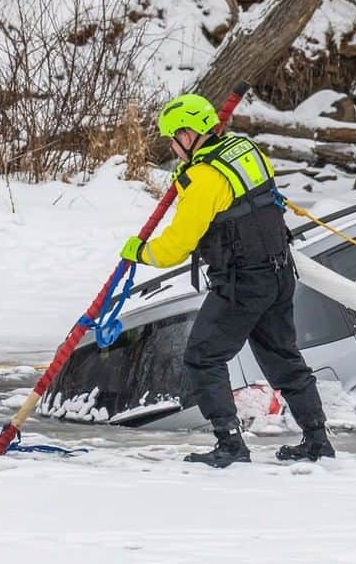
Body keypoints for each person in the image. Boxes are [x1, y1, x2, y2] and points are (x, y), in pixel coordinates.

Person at [119, 93, 334, 468]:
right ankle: (317, 440)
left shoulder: (204, 179)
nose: (172, 146)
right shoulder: (246, 150)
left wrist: (138, 251)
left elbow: (175, 247)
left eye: (173, 139)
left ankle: (230, 444)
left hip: (242, 283)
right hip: (280, 272)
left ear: (188, 136)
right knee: (282, 356)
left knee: (203, 357)